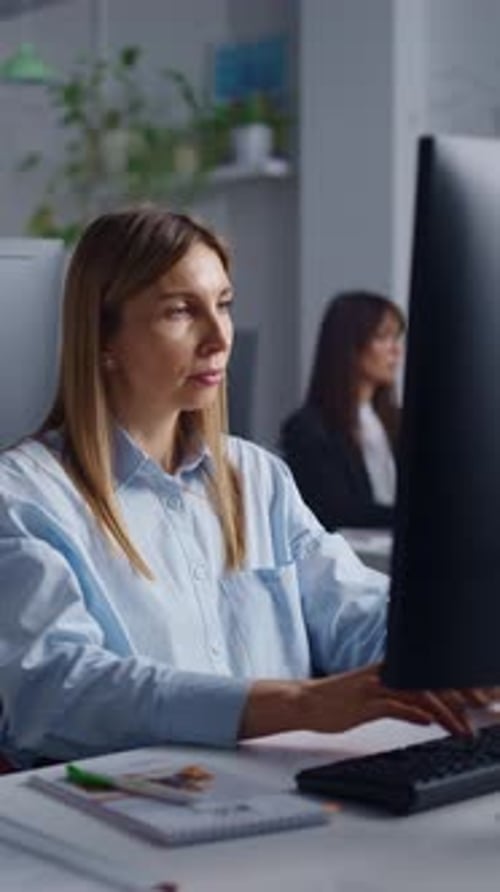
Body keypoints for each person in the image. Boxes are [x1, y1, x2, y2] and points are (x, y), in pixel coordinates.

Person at [0, 208, 487, 769]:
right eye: (180, 311)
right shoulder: (24, 497)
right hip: (126, 801)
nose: (218, 338)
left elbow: (353, 612)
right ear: (103, 337)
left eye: (224, 304)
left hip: (275, 793)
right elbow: (59, 690)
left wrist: (456, 658)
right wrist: (299, 703)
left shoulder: (257, 478)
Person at [280, 291, 405, 531]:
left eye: (396, 337)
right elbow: (337, 511)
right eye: (383, 337)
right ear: (350, 346)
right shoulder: (308, 430)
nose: (396, 350)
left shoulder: (398, 421)